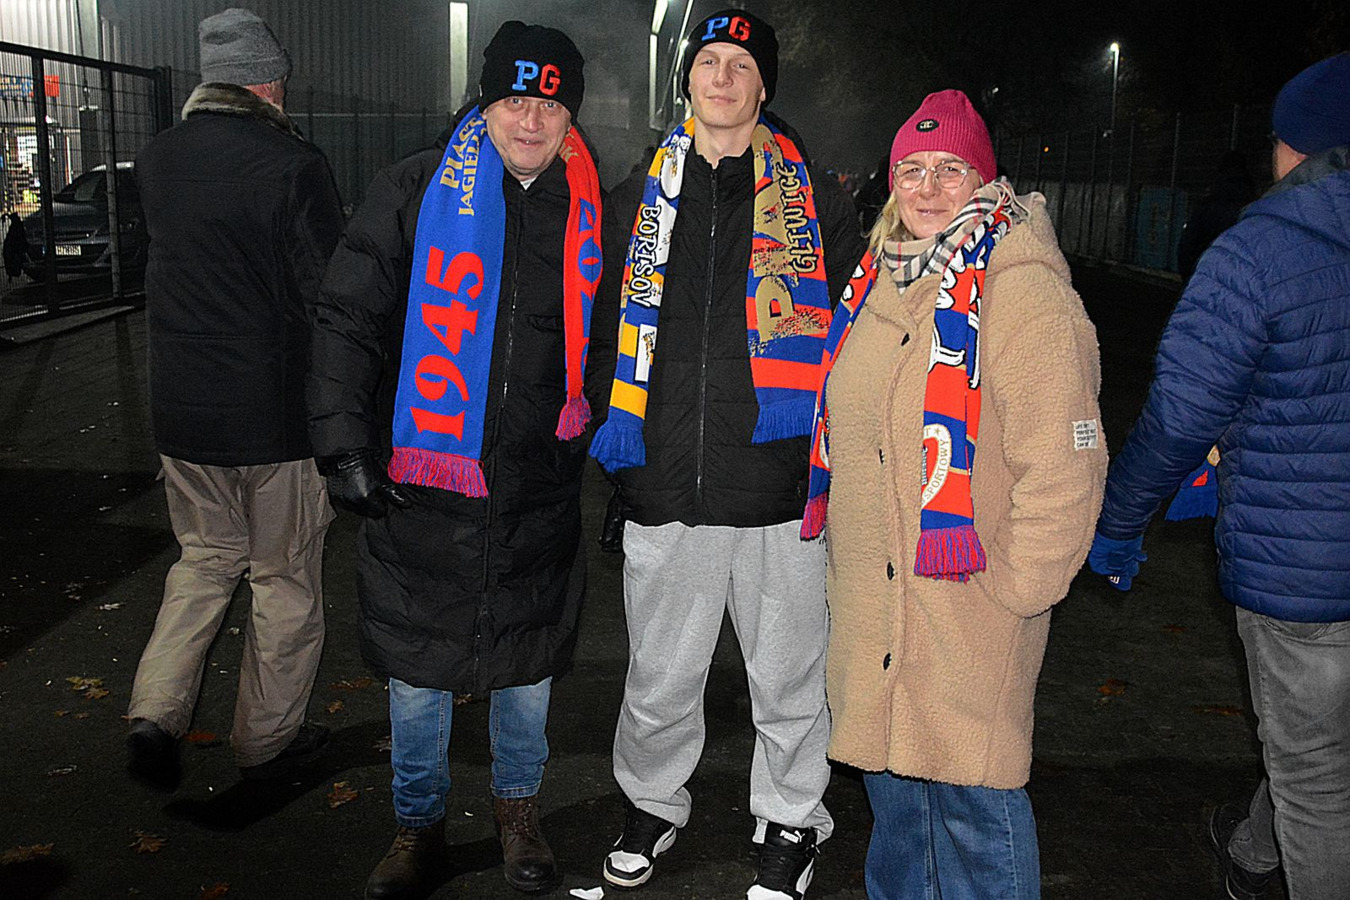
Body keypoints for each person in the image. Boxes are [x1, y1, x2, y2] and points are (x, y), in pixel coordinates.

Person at [306, 22, 602, 900]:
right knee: (417, 671)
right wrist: (343, 446)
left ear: (570, 114)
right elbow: (347, 320)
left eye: (549, 104)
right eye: (514, 100)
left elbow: (622, 342)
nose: (530, 120)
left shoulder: (594, 209)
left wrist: (613, 451)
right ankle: (418, 824)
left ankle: (518, 812)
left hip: (537, 485)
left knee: (527, 669)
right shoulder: (413, 189)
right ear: (484, 101)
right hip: (422, 481)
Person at [587, 10, 864, 898]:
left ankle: (791, 816)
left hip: (778, 487)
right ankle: (651, 804)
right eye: (708, 60)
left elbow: (857, 337)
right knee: (660, 676)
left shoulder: (815, 204)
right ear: (687, 79)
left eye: (740, 64)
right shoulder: (635, 201)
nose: (721, 77)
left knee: (789, 677)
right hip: (666, 482)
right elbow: (598, 333)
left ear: (763, 86)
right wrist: (625, 454)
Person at [802, 89, 1107, 900]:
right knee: (901, 829)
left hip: (968, 615)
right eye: (913, 169)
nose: (929, 187)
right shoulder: (876, 282)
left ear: (984, 181)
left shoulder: (1022, 290)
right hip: (877, 617)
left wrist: (1017, 590)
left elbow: (1067, 464)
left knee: (975, 823)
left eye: (951, 169)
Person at [1088, 53, 1350, 900]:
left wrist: (1119, 521)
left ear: (1292, 147)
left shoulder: (1260, 249)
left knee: (1317, 775)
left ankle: (1268, 855)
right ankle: (1251, 851)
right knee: (1322, 744)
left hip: (1302, 570)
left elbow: (1181, 416)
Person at [124, 7, 342, 792]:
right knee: (283, 577)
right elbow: (326, 295)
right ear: (271, 82)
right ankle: (266, 743)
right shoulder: (293, 165)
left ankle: (155, 712)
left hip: (183, 415)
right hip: (272, 420)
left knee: (205, 561)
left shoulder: (158, 159)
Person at [1176, 149, 1256, 280]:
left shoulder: (1208, 204)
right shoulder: (1253, 206)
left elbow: (1188, 245)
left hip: (1205, 272)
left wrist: (1189, 276)